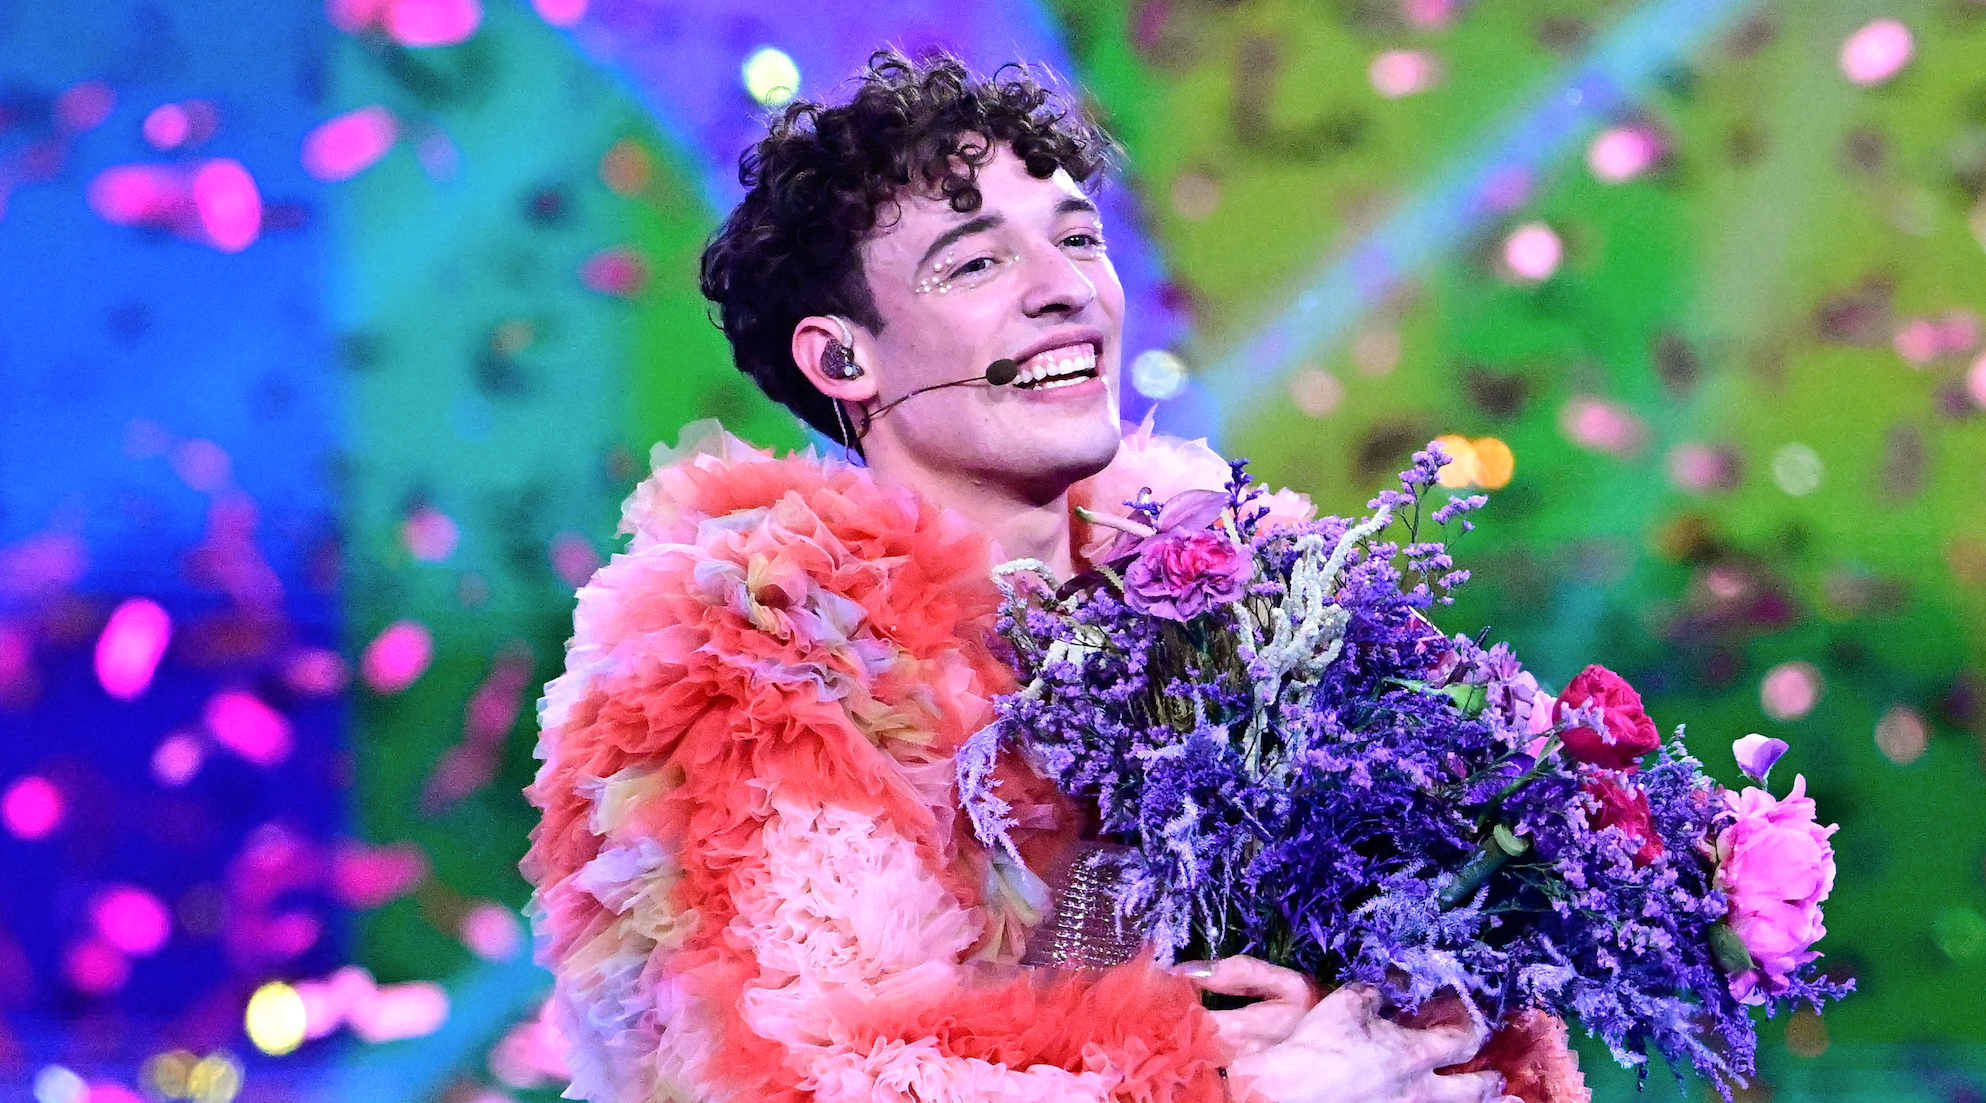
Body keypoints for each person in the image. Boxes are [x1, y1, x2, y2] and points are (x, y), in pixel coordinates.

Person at [524, 50, 1511, 1103]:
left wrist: (1371, 1028)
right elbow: (814, 1069)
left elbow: (1462, 956)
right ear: (844, 359)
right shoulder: (762, 663)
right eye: (977, 264)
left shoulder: (1254, 601)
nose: (1068, 291)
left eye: (1080, 238)